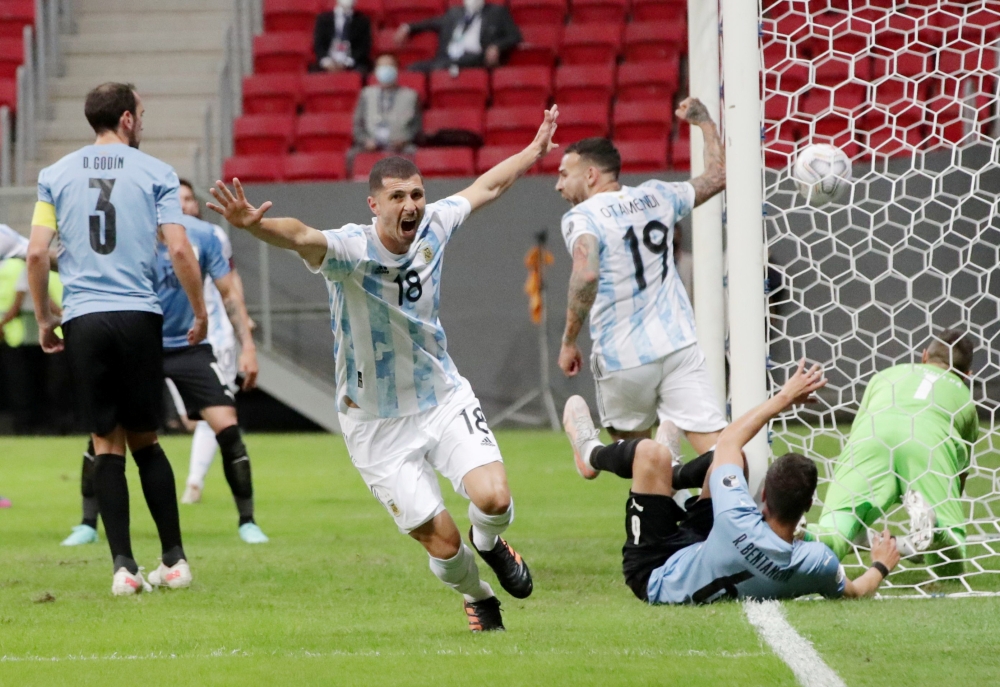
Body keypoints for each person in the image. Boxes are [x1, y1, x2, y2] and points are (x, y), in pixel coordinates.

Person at [206, 105, 560, 632]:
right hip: (375, 423)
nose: (411, 204)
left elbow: (486, 188)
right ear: (375, 205)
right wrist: (255, 227)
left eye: (416, 194)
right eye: (398, 197)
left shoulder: (435, 224)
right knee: (441, 539)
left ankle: (490, 543)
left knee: (495, 498)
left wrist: (532, 152)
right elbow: (301, 234)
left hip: (441, 397)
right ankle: (479, 596)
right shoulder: (351, 249)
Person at [27, 82, 207, 595]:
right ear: (127, 120)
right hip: (138, 316)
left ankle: (124, 569)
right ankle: (173, 560)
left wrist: (45, 318)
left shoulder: (54, 175)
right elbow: (179, 251)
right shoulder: (157, 173)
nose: (143, 123)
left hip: (84, 318)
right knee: (146, 439)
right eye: (142, 115)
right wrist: (199, 313)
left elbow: (37, 254)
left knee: (105, 443)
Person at [563, 359, 901, 603]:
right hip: (707, 546)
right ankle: (673, 479)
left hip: (655, 572)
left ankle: (590, 453)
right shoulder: (816, 560)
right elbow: (856, 589)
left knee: (655, 454)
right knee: (731, 462)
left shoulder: (736, 516)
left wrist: (784, 398)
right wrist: (881, 565)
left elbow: (728, 441)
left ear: (763, 494)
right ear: (808, 505)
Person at [63, 190, 266, 547]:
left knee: (228, 427)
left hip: (189, 345)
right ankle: (87, 523)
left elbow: (229, 293)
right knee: (104, 434)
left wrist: (247, 346)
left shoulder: (202, 236)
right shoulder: (122, 236)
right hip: (137, 345)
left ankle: (247, 521)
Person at [555, 98, 727, 463]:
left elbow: (586, 273)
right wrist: (706, 124)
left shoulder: (582, 216)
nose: (558, 185)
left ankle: (590, 453)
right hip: (678, 344)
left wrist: (569, 340)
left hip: (623, 356)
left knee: (637, 460)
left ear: (590, 176)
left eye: (563, 174)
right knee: (719, 452)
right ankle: (683, 479)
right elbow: (718, 177)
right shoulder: (657, 195)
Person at [804, 329, 978, 570]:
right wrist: (945, 509)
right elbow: (959, 476)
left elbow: (858, 431)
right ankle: (936, 532)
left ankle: (803, 532)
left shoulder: (884, 376)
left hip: (872, 438)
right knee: (951, 561)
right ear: (967, 376)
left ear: (924, 355)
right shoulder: (965, 397)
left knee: (836, 531)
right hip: (927, 444)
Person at [395, 0, 521, 74]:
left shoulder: (497, 12)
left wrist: (496, 46)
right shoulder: (455, 13)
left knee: (448, 65)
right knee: (413, 69)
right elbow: (433, 23)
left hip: (476, 58)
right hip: (447, 58)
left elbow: (514, 36)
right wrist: (408, 27)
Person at [350, 53, 421, 166]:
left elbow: (416, 127)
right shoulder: (366, 94)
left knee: (415, 154)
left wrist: (404, 140)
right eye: (382, 67)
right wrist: (365, 141)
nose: (386, 70)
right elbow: (357, 125)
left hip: (400, 146)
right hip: (371, 144)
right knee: (351, 156)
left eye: (390, 66)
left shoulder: (411, 96)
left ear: (397, 70)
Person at [312, 0, 373, 74]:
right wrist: (327, 62)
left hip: (353, 63)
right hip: (329, 61)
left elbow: (364, 46)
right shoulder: (323, 19)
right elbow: (318, 44)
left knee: (362, 71)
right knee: (313, 73)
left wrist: (346, 63)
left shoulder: (362, 21)